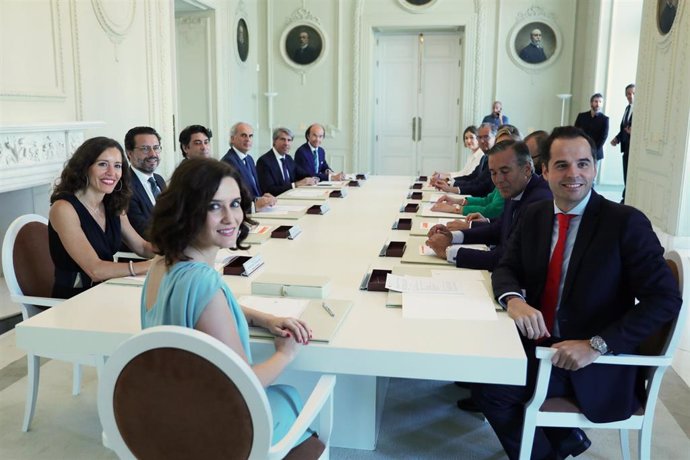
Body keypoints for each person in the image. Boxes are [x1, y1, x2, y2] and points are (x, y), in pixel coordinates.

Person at [474, 126, 682, 460]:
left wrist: (597, 344)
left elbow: (665, 299)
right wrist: (514, 300)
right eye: (562, 165)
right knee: (475, 365)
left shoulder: (625, 223)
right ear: (544, 171)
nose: (574, 174)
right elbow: (506, 267)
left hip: (594, 361)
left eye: (583, 164)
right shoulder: (535, 214)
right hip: (541, 342)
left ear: (594, 168)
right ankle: (563, 440)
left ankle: (548, 451)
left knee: (491, 389)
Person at [141, 158, 316, 447]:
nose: (231, 217)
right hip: (218, 430)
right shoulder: (203, 283)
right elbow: (241, 383)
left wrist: (263, 318)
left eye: (235, 203)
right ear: (187, 209)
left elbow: (204, 308)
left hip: (173, 414)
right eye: (213, 206)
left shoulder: (161, 265)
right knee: (291, 394)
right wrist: (286, 353)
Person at [49, 137, 154, 299]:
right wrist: (152, 266)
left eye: (117, 166)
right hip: (74, 298)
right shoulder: (63, 209)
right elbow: (95, 270)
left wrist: (179, 252)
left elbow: (142, 247)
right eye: (103, 164)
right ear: (84, 167)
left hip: (108, 288)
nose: (112, 173)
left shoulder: (114, 203)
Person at [425, 140, 552, 271]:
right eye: (493, 173)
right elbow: (498, 229)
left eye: (505, 171)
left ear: (526, 169)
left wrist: (449, 251)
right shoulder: (516, 188)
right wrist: (453, 236)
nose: (498, 180)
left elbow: (508, 258)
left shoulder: (539, 202)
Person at [221, 122, 277, 211]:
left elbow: (253, 190)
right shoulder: (228, 161)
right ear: (232, 139)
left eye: (250, 136)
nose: (248, 139)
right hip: (246, 213)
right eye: (243, 135)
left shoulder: (249, 159)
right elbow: (232, 198)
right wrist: (254, 206)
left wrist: (263, 197)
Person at [124, 126, 167, 239]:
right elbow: (141, 229)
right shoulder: (124, 185)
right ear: (129, 153)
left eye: (156, 148)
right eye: (145, 149)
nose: (153, 154)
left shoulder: (159, 180)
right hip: (144, 252)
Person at [430, 123, 497, 194]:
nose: (482, 141)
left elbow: (480, 186)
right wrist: (448, 182)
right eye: (479, 137)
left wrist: (449, 186)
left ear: (495, 138)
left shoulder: (495, 159)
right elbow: (471, 177)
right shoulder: (485, 157)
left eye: (486, 137)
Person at [256, 127, 317, 196]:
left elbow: (303, 174)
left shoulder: (288, 158)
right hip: (275, 201)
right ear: (274, 141)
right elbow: (269, 190)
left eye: (289, 140)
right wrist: (295, 185)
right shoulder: (264, 161)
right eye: (283, 139)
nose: (286, 143)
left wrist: (314, 178)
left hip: (291, 197)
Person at [611, 83, 635, 203]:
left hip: (634, 148)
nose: (631, 96)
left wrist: (633, 132)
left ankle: (627, 198)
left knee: (631, 174)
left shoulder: (639, 110)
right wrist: (617, 138)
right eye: (628, 94)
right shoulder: (627, 108)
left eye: (633, 93)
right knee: (626, 173)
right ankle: (625, 197)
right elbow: (624, 128)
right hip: (625, 147)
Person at [574, 93, 609, 161]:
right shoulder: (581, 116)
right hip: (580, 150)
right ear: (591, 103)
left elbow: (603, 137)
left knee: (594, 171)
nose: (598, 104)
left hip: (596, 153)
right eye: (596, 101)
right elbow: (576, 132)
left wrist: (593, 150)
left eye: (600, 102)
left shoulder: (605, 119)